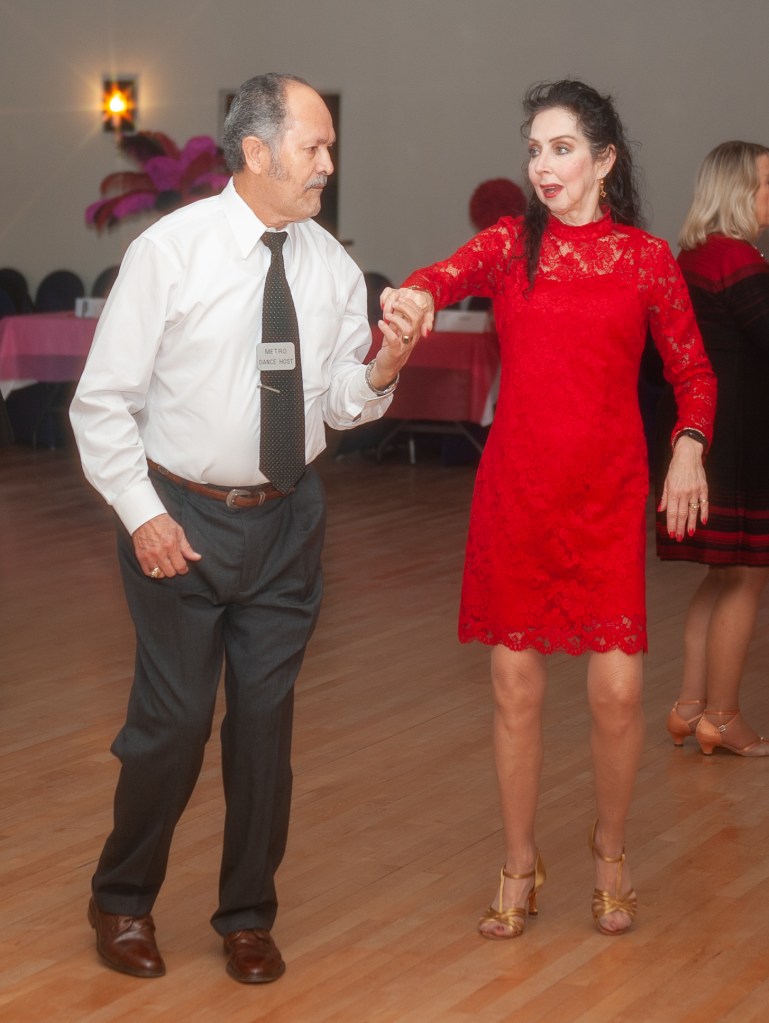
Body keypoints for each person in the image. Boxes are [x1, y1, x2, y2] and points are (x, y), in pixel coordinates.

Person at [70, 72, 422, 983]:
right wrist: (142, 515)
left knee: (264, 727)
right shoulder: (170, 252)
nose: (328, 163)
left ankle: (247, 915)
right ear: (257, 151)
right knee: (174, 723)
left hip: (286, 523)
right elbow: (101, 404)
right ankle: (121, 898)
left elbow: (339, 402)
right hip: (177, 521)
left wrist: (383, 367)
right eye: (314, 146)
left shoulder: (329, 264)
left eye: (330, 146)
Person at [382, 79, 716, 939]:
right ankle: (518, 862)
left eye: (561, 148)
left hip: (605, 496)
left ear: (603, 160)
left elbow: (692, 372)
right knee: (513, 688)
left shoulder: (644, 259)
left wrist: (687, 444)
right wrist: (415, 295)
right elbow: (439, 275)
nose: (542, 165)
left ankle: (609, 851)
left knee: (617, 694)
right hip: (518, 493)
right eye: (534, 149)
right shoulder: (509, 246)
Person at [656, 141, 769, 757]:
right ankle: (722, 718)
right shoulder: (737, 258)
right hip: (740, 441)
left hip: (706, 437)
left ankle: (689, 706)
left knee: (722, 575)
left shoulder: (696, 254)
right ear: (740, 191)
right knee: (747, 577)